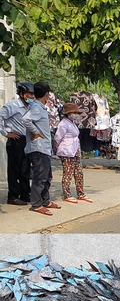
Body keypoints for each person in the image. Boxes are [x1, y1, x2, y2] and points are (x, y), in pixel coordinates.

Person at [23, 81, 59, 215]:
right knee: (40, 177)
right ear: (47, 94)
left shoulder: (40, 107)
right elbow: (26, 120)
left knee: (47, 176)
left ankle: (45, 200)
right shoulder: (36, 108)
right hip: (38, 149)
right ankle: (36, 204)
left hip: (44, 148)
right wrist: (35, 131)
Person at [0, 82, 34, 205]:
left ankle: (25, 194)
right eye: (29, 94)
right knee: (14, 169)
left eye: (33, 94)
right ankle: (13, 196)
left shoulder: (30, 107)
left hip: (27, 140)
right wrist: (6, 133)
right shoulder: (12, 106)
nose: (32, 96)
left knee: (25, 169)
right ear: (22, 94)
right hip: (16, 140)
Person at [54, 102, 92, 204]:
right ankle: (67, 194)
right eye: (74, 112)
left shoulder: (72, 123)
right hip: (66, 151)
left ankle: (81, 193)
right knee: (68, 173)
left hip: (75, 150)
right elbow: (57, 138)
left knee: (78, 172)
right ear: (68, 113)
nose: (76, 114)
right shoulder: (63, 124)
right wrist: (57, 150)